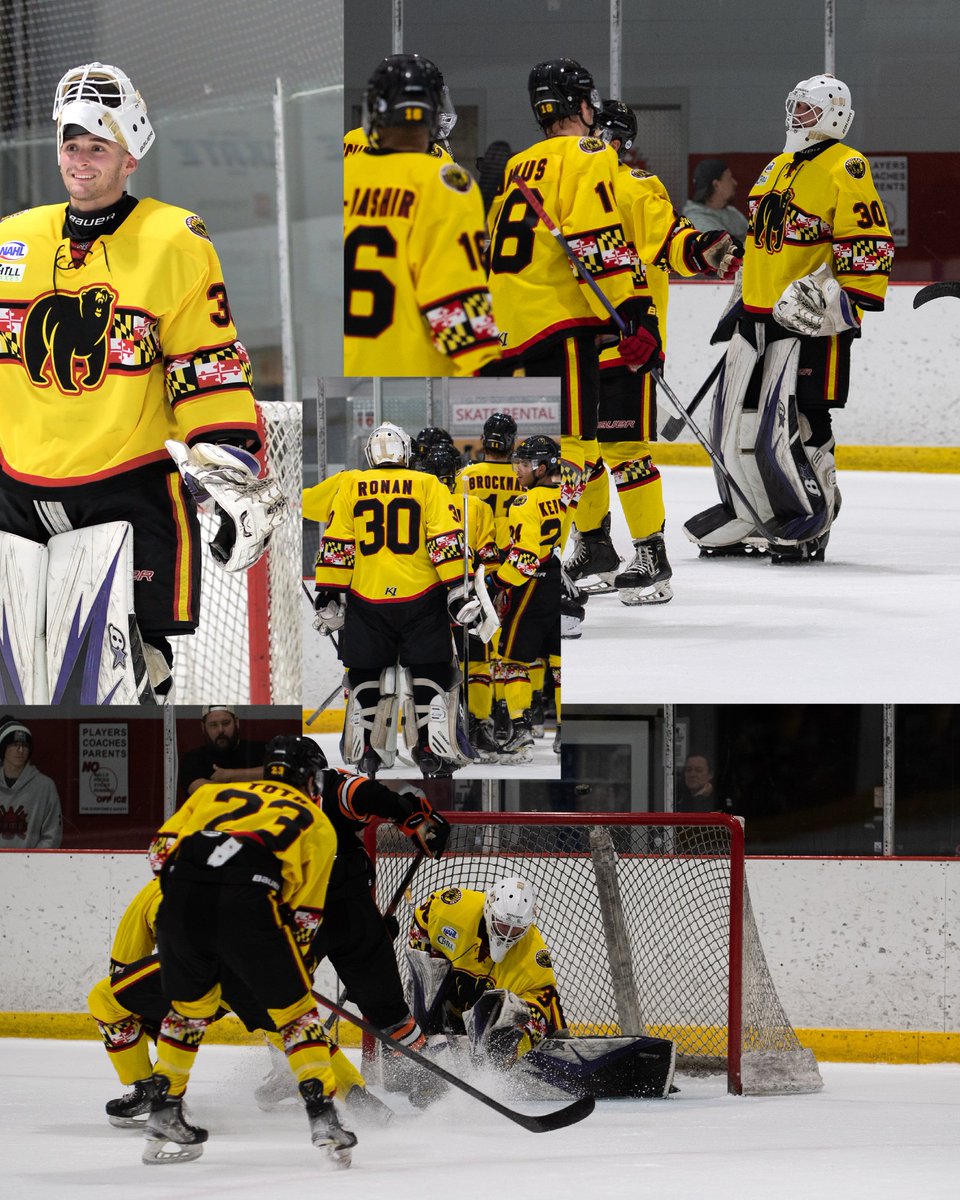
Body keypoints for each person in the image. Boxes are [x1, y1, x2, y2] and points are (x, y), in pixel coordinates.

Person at [0, 63, 286, 703]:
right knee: (15, 680)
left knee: (131, 673)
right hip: (15, 487)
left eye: (97, 148)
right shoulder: (11, 239)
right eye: (72, 145)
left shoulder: (173, 240)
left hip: (128, 488)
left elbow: (205, 359)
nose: (80, 160)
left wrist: (227, 464)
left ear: (130, 157)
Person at [685, 74, 893, 563]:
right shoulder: (777, 166)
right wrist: (741, 282)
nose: (795, 117)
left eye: (807, 110)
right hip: (756, 315)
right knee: (740, 422)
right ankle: (752, 511)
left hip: (808, 321)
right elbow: (766, 242)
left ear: (834, 115)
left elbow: (868, 241)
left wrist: (843, 302)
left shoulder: (847, 165)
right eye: (795, 107)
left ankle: (811, 517)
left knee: (801, 417)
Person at [143, 735, 356, 1166]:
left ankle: (165, 1109)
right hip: (250, 903)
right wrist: (285, 965)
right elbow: (306, 916)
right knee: (296, 1016)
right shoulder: (316, 823)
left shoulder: (212, 793)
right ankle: (323, 1117)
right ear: (308, 778)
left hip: (180, 902)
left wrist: (195, 890)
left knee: (187, 1012)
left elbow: (158, 853)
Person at [566, 100, 741, 608]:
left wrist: (704, 247)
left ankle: (651, 554)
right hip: (574, 343)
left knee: (624, 451)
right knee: (580, 451)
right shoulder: (567, 189)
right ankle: (595, 547)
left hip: (628, 340)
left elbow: (670, 239)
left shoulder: (635, 187)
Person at [487, 60, 660, 553]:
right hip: (560, 322)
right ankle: (545, 563)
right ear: (582, 105)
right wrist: (634, 312)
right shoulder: (589, 152)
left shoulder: (520, 163)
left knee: (550, 445)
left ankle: (573, 553)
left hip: (513, 326)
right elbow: (594, 238)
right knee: (574, 449)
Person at [313, 421, 470, 778]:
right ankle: (429, 748)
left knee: (365, 672)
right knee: (430, 670)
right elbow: (444, 539)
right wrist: (458, 591)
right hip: (422, 597)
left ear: (371, 455)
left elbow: (338, 541)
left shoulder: (351, 484)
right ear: (407, 453)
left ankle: (368, 751)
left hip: (367, 598)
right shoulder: (427, 483)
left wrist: (330, 591)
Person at [344, 54, 501, 376]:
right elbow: (453, 299)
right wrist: (486, 365)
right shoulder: (443, 178)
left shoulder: (343, 166)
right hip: (409, 362)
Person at [405, 876, 565, 1102]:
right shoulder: (453, 908)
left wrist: (515, 1040)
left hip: (480, 1013)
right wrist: (425, 963)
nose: (507, 933)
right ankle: (420, 1043)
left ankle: (487, 1062)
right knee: (430, 977)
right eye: (503, 924)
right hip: (452, 991)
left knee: (505, 1009)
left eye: (516, 929)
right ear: (489, 908)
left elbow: (544, 1001)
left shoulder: (533, 955)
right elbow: (423, 919)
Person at [481, 436, 563, 761]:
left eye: (524, 464)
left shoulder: (524, 502)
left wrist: (495, 582)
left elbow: (525, 561)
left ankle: (520, 733)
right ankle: (564, 734)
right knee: (557, 662)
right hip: (559, 584)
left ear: (541, 468)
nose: (518, 470)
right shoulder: (565, 497)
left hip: (531, 588)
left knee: (512, 661)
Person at [177, 705, 267, 797]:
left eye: (226, 723)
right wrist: (252, 780)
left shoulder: (261, 750)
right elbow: (199, 790)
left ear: (236, 722)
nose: (220, 730)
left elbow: (274, 772)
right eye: (213, 725)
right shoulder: (193, 758)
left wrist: (230, 776)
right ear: (203, 727)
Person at [0, 716, 62, 848]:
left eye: (25, 745)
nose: (20, 750)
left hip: (32, 861)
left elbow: (52, 836)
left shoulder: (45, 786)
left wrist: (33, 860)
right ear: (3, 748)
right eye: (14, 744)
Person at [683, 158, 749, 240]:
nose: (735, 183)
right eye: (729, 178)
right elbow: (723, 246)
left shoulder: (732, 212)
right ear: (716, 185)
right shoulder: (698, 221)